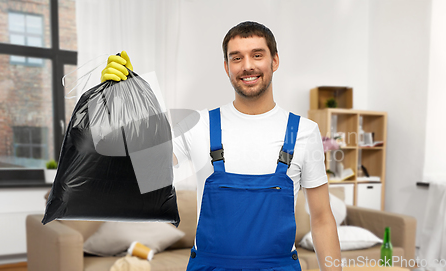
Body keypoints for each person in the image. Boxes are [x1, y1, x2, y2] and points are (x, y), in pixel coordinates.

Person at [102, 21, 341, 271]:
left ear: (275, 61)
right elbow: (138, 172)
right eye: (236, 58)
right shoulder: (197, 126)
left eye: (257, 55)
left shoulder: (304, 131)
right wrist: (120, 102)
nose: (247, 65)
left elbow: (322, 219)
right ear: (227, 67)